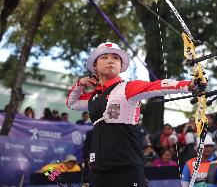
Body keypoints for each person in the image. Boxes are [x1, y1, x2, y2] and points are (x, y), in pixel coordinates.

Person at [66, 42, 200, 187]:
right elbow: (72, 103)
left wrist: (189, 85)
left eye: (115, 58)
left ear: (120, 65)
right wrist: (80, 83)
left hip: (126, 167)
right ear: (95, 67)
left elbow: (157, 86)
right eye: (104, 57)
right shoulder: (94, 97)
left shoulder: (127, 88)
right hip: (98, 169)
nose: (111, 60)